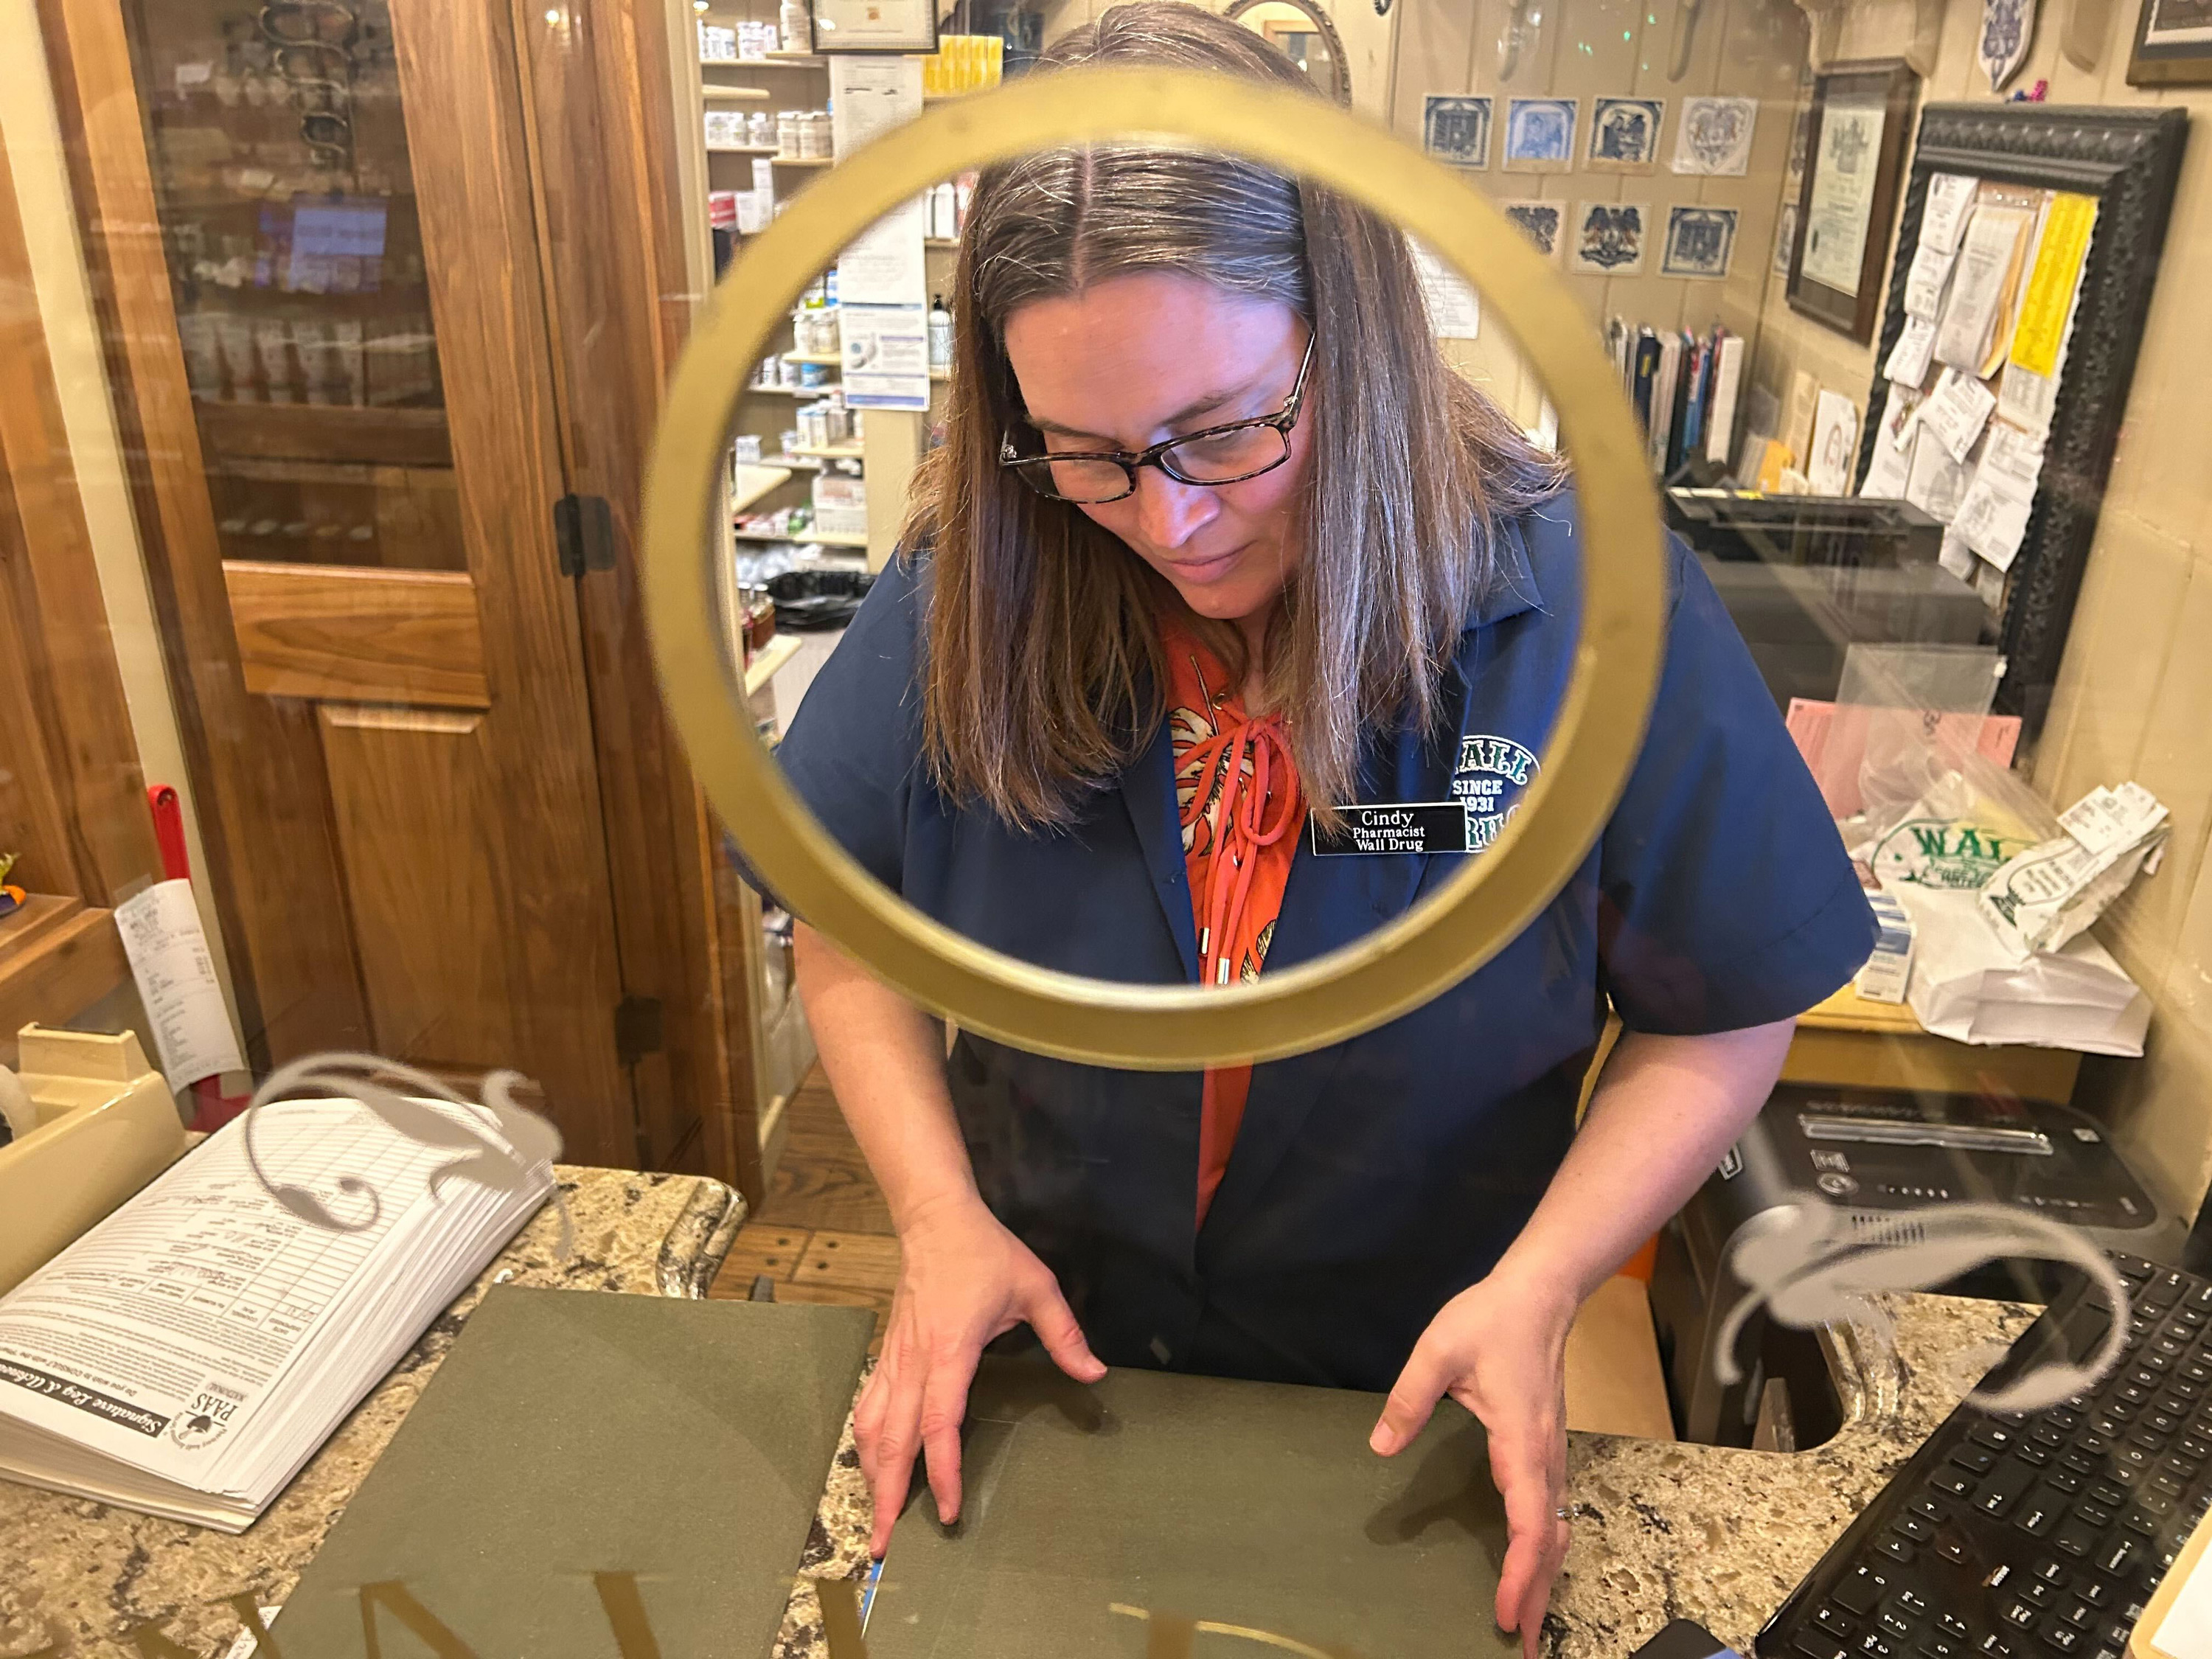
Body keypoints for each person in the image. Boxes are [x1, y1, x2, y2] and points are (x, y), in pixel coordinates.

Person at [776, 4, 1874, 1647]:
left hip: (1405, 1399)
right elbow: (847, 921)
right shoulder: (978, 580)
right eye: (1086, 453)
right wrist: (936, 1222)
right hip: (1052, 1371)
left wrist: (1546, 1285)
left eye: (1227, 431)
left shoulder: (1589, 605)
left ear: (1350, 331)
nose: (1171, 521)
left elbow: (1723, 1007)